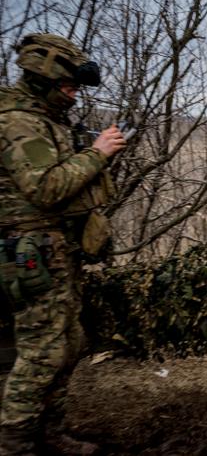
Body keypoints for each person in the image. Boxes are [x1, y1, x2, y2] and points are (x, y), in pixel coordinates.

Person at [0, 33, 126, 454]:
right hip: (30, 251)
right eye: (68, 87)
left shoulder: (46, 119)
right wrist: (97, 152)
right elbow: (45, 187)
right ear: (43, 80)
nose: (74, 95)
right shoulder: (18, 121)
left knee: (69, 342)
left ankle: (49, 430)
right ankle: (16, 442)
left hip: (55, 248)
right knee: (41, 352)